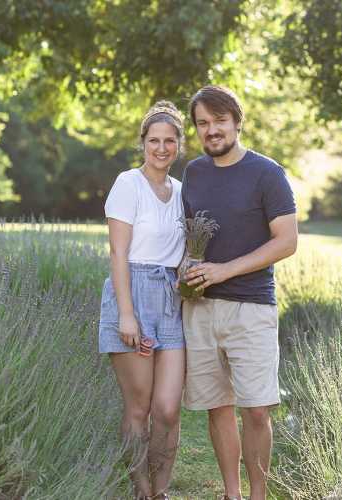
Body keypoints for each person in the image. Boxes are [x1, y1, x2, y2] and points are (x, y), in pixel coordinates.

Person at [181, 86, 298, 500]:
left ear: (236, 120)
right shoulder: (193, 173)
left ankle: (258, 494)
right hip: (201, 309)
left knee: (256, 408)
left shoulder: (267, 173)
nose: (211, 130)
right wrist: (187, 268)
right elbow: (189, 235)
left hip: (251, 307)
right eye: (202, 123)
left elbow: (286, 241)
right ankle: (232, 493)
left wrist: (225, 270)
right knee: (217, 406)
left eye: (219, 120)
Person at [99, 101, 186, 500]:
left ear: (180, 146)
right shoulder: (127, 184)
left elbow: (185, 251)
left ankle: (162, 491)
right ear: (143, 143)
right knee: (139, 409)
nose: (162, 148)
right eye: (155, 140)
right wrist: (126, 315)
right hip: (131, 293)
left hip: (171, 302)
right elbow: (118, 253)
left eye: (170, 141)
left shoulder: (184, 193)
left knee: (167, 409)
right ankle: (141, 490)